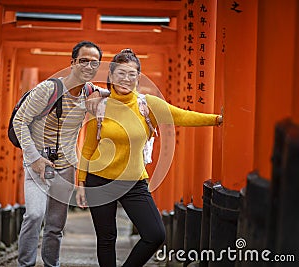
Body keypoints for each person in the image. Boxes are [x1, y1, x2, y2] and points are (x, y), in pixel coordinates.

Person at [76, 48, 223, 267]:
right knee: (106, 239)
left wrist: (217, 119)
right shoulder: (100, 106)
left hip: (134, 182)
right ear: (111, 77)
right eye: (121, 74)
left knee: (155, 234)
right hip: (100, 179)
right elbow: (88, 149)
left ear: (138, 77)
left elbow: (182, 115)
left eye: (132, 74)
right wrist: (80, 183)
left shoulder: (147, 105)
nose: (126, 79)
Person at [13, 40, 110, 267]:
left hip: (66, 166)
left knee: (56, 225)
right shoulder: (48, 89)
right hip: (39, 162)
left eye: (94, 63)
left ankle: (51, 264)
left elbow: (119, 95)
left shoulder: (91, 92)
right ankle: (25, 264)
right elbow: (20, 121)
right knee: (35, 215)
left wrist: (100, 92)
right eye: (83, 61)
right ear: (72, 63)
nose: (88, 66)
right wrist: (34, 158)